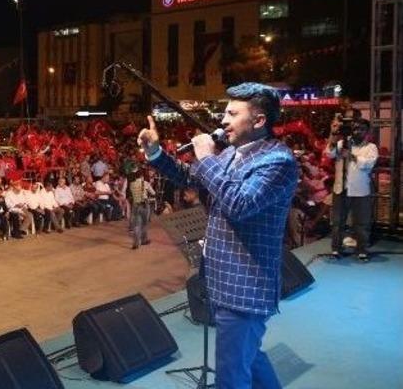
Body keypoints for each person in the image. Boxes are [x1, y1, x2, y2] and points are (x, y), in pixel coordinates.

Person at [138, 82, 296, 389]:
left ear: (259, 120)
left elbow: (239, 204)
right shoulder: (232, 155)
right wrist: (155, 152)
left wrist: (207, 157)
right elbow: (189, 177)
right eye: (224, 111)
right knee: (250, 359)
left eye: (232, 113)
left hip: (245, 288)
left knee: (231, 376)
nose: (222, 120)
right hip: (224, 281)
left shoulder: (277, 161)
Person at [325, 117, 378, 261]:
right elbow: (329, 153)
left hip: (360, 191)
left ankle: (362, 250)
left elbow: (368, 164)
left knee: (361, 223)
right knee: (337, 222)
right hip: (340, 189)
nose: (357, 131)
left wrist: (351, 156)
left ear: (367, 131)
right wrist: (333, 134)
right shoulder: (342, 143)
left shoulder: (370, 147)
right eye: (355, 128)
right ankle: (336, 249)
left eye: (361, 129)